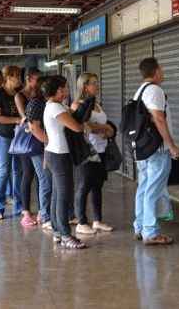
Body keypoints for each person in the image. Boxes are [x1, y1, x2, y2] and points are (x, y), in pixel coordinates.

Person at [132, 57, 179, 246]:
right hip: (156, 149)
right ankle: (151, 232)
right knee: (153, 189)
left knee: (145, 187)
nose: (163, 72)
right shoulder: (154, 90)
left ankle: (140, 226)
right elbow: (159, 119)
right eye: (161, 69)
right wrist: (171, 145)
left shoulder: (140, 91)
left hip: (143, 148)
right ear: (155, 72)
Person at [42, 75, 87, 249]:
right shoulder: (55, 107)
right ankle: (66, 234)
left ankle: (57, 231)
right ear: (58, 90)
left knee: (57, 195)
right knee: (63, 196)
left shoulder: (55, 106)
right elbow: (76, 126)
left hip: (55, 153)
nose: (67, 91)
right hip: (59, 155)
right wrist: (84, 124)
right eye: (65, 88)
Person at [71, 73, 114, 235]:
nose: (97, 85)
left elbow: (102, 123)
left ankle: (97, 220)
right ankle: (81, 221)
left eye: (97, 82)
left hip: (101, 149)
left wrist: (109, 129)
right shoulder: (77, 105)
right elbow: (85, 125)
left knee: (98, 185)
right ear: (84, 86)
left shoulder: (97, 104)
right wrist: (105, 128)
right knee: (84, 186)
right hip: (87, 151)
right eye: (93, 83)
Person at [15, 68, 51, 228]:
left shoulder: (39, 98)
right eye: (38, 79)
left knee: (40, 177)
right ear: (29, 79)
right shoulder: (22, 96)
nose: (40, 82)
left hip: (39, 139)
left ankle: (43, 210)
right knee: (28, 174)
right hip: (29, 141)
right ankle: (26, 212)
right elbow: (27, 120)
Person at [0, 65, 24, 220]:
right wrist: (17, 119)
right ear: (9, 77)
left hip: (18, 136)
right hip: (4, 136)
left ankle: (19, 206)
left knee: (17, 171)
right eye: (17, 76)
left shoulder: (18, 93)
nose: (19, 79)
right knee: (4, 170)